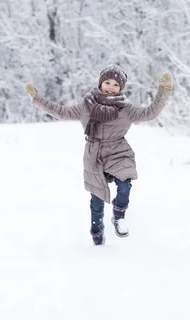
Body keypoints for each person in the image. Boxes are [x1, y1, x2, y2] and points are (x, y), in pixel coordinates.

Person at [24, 65, 173, 245]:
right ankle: (97, 232)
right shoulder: (87, 107)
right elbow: (61, 112)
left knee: (125, 184)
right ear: (101, 83)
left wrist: (164, 89)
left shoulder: (126, 109)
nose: (111, 87)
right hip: (93, 154)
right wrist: (36, 98)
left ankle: (119, 216)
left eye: (116, 85)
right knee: (97, 199)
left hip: (118, 151)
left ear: (121, 88)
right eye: (107, 82)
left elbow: (150, 112)